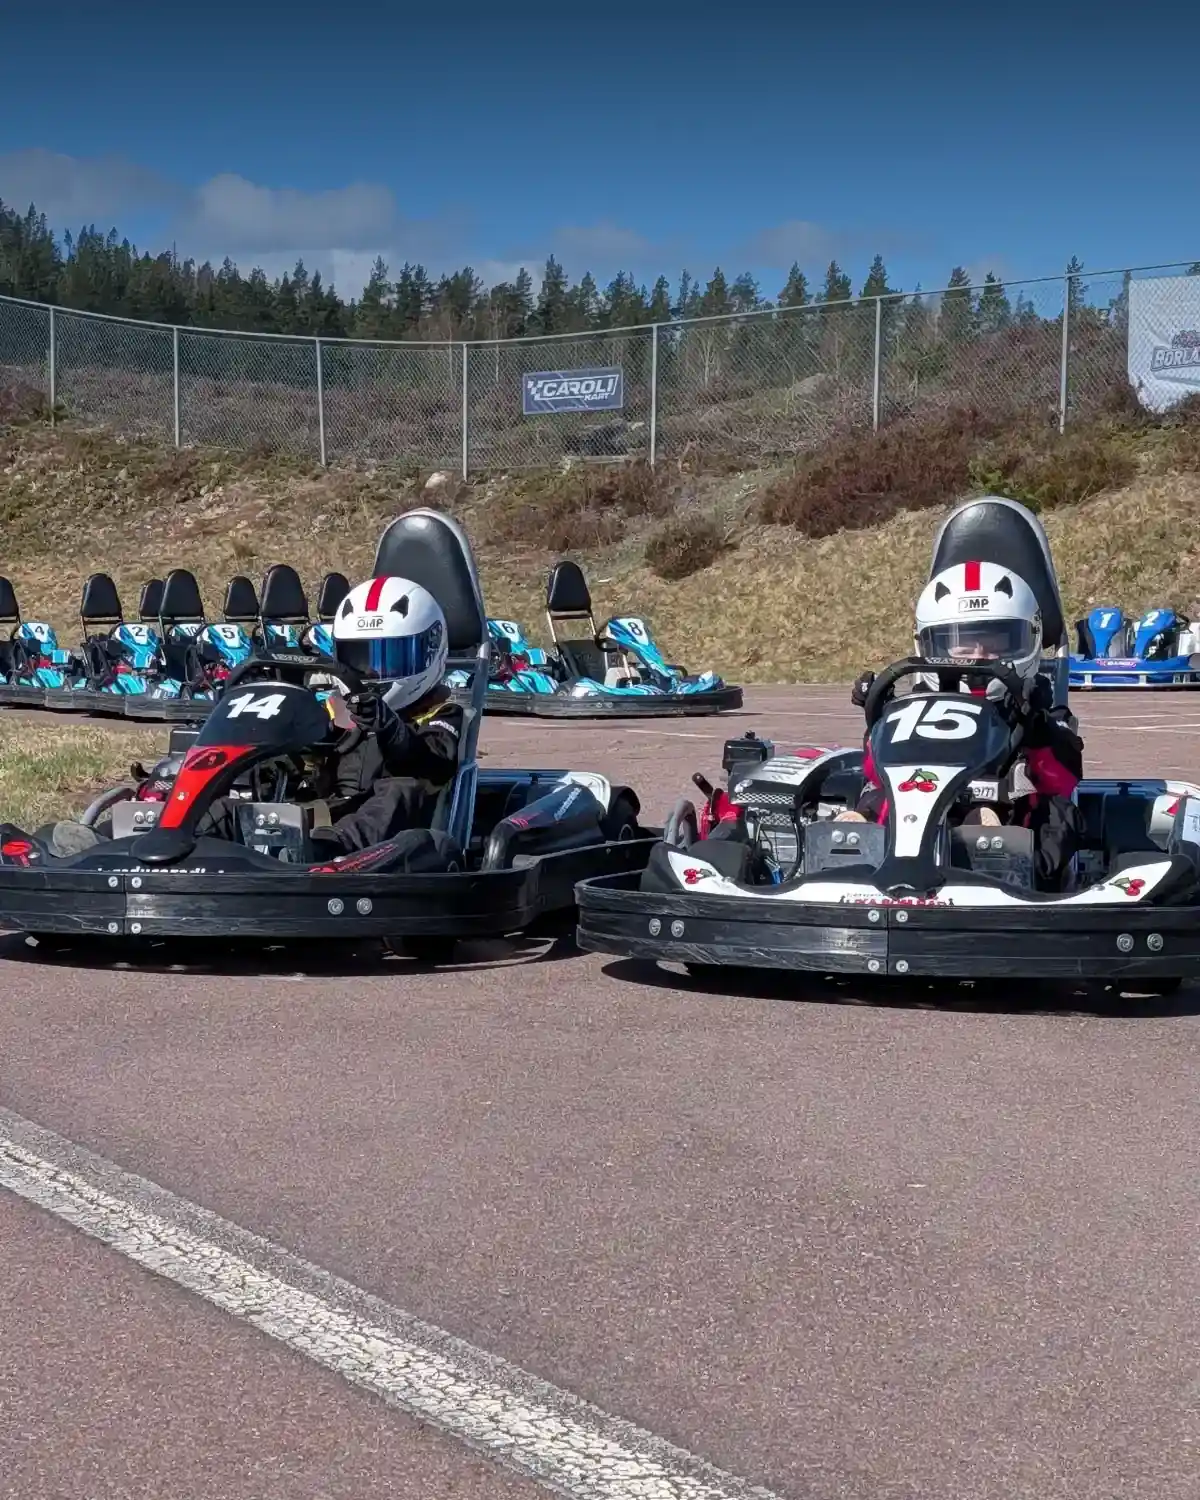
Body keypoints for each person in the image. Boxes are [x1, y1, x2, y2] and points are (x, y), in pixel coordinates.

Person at [840, 559, 1084, 886]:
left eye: (996, 640)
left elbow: (1063, 778)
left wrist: (1038, 727)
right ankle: (854, 844)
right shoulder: (912, 708)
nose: (978, 654)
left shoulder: (1033, 713)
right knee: (880, 792)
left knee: (1042, 810)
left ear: (1030, 638)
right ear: (928, 643)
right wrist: (880, 725)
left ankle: (991, 854)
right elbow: (874, 770)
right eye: (962, 641)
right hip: (909, 812)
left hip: (1005, 819)